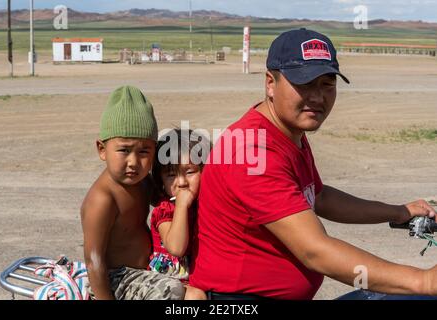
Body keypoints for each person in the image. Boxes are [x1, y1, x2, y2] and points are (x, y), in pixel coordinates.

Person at [189, 28, 437, 300]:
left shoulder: (286, 131)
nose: (318, 98)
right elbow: (315, 251)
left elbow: (318, 196)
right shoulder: (251, 151)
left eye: (327, 84)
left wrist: (398, 211)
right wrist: (423, 280)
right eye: (305, 84)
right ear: (270, 83)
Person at [81, 85, 185, 300]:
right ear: (102, 149)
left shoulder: (144, 183)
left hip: (147, 271)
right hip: (115, 279)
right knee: (171, 290)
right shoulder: (102, 199)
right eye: (124, 150)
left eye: (144, 151)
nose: (133, 162)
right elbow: (94, 260)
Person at [149, 129, 209, 300]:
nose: (181, 182)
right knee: (195, 296)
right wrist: (181, 205)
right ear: (161, 182)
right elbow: (176, 248)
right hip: (169, 279)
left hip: (196, 275)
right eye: (171, 175)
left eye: (190, 172)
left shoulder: (203, 204)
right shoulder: (165, 210)